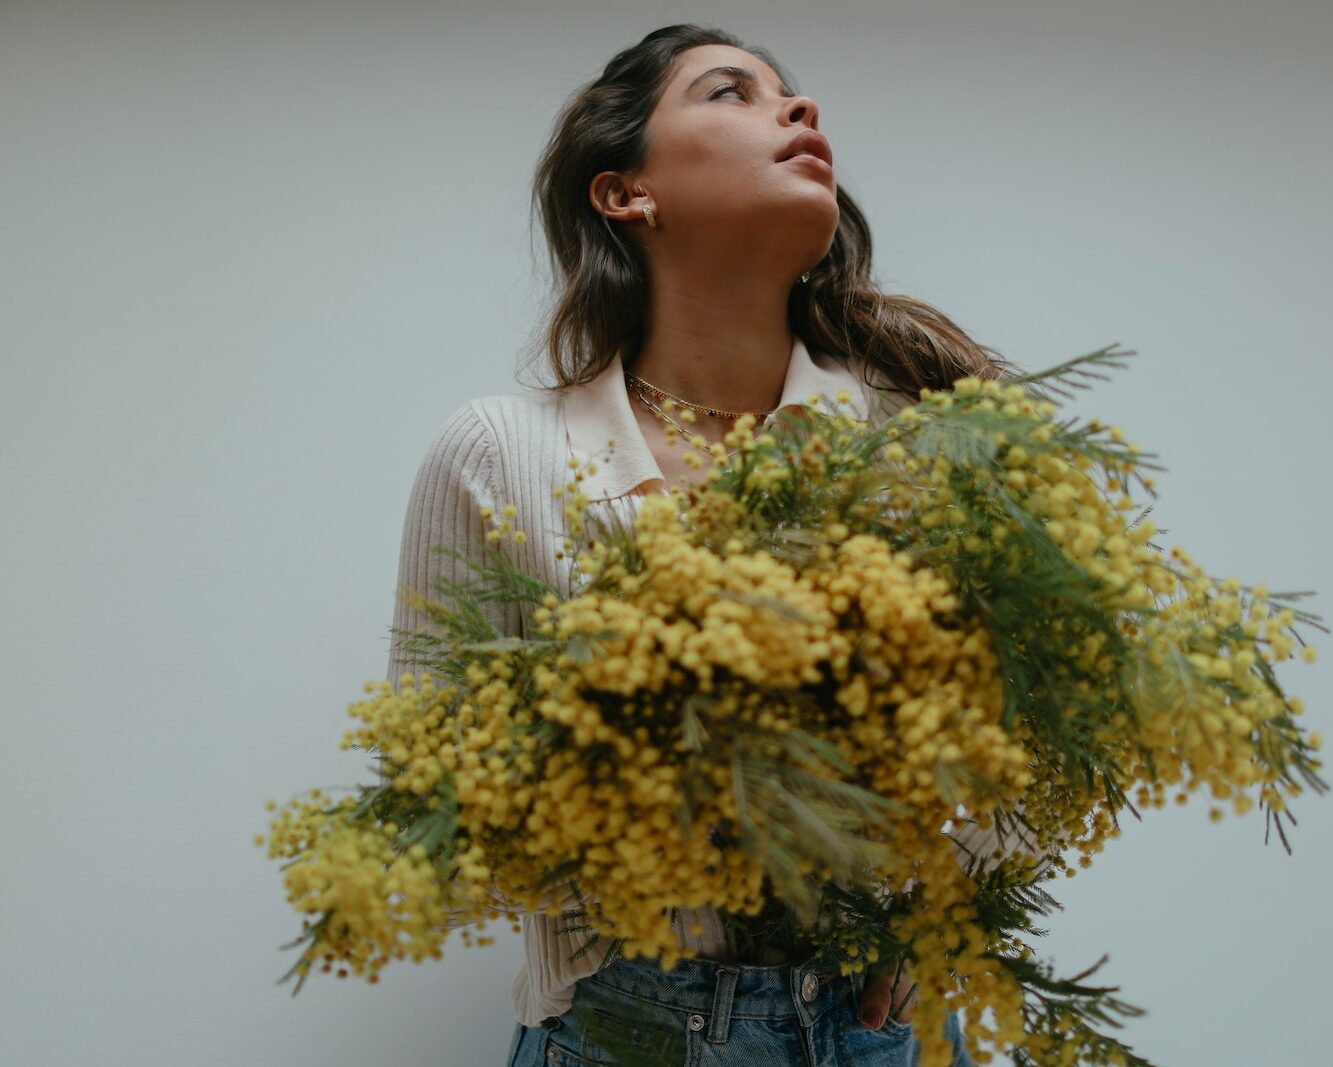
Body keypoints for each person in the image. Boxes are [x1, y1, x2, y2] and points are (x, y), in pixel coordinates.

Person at [387, 22, 1037, 1066]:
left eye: (794, 95)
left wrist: (937, 911)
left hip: (883, 1032)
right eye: (732, 91)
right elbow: (429, 783)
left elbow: (1033, 732)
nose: (798, 110)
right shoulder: (499, 454)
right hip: (623, 1024)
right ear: (625, 192)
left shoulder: (915, 441)